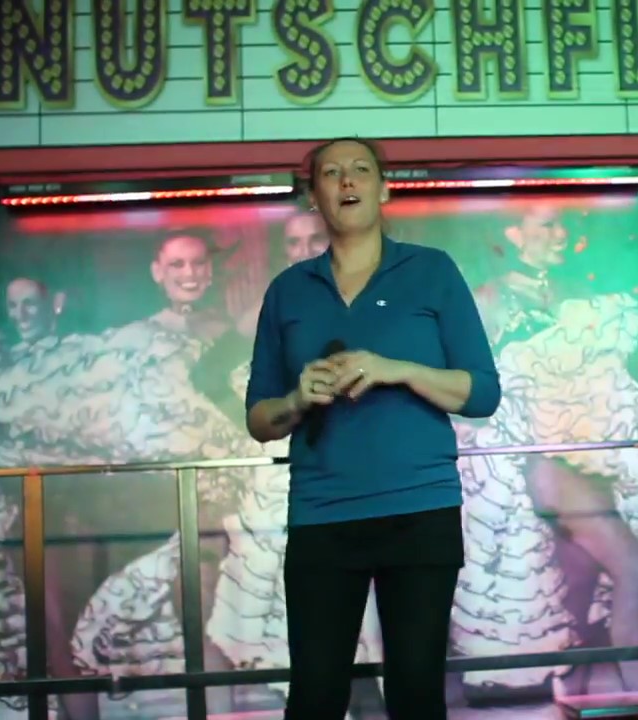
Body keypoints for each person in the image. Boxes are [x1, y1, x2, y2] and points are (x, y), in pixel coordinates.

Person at [244, 137, 500, 720]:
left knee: (416, 693)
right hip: (323, 515)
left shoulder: (431, 271)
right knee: (314, 696)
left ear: (384, 189)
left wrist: (397, 370)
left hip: (420, 511)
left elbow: (483, 393)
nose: (346, 180)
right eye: (331, 173)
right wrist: (297, 400)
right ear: (314, 197)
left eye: (361, 169)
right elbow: (259, 420)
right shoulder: (289, 290)